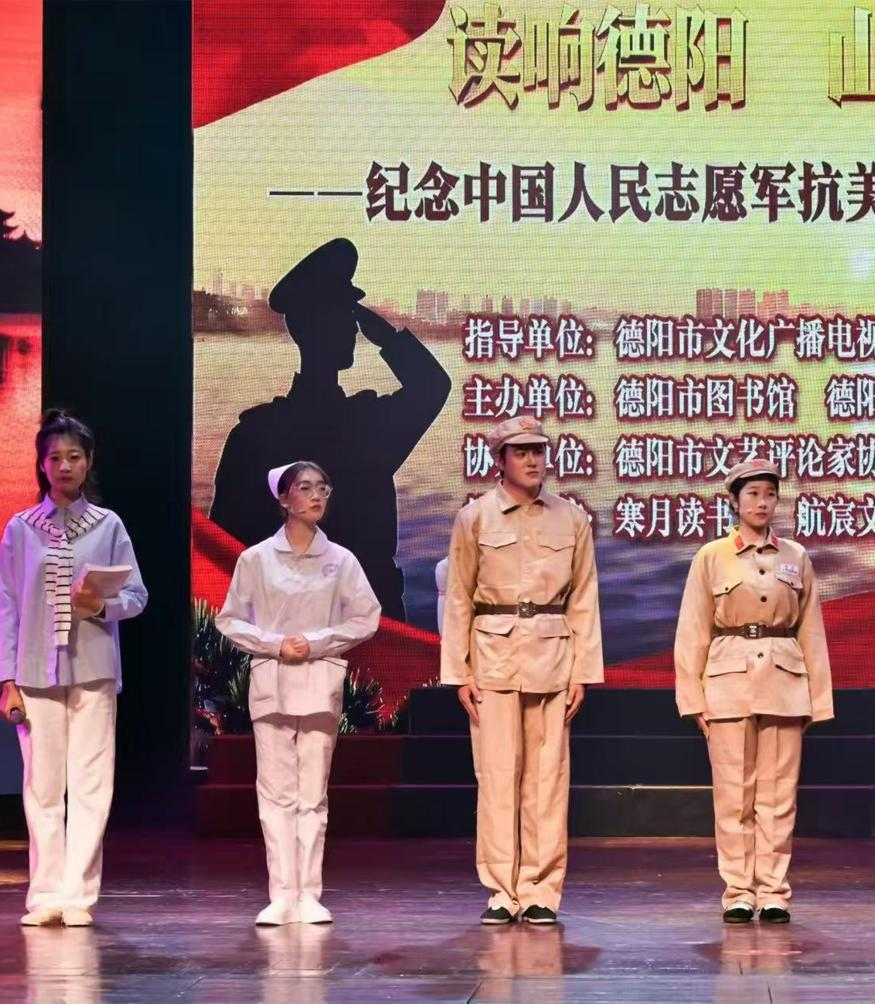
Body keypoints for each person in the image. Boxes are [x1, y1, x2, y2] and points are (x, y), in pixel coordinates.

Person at [210, 238, 451, 620]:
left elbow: (222, 554)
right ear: (312, 327)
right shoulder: (368, 425)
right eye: (344, 315)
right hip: (364, 629)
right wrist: (386, 336)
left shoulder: (253, 434)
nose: (353, 328)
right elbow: (432, 386)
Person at [440, 416, 603, 925]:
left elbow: (584, 599)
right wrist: (458, 672)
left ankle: (541, 890)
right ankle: (501, 890)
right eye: (521, 452)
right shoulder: (475, 518)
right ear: (500, 460)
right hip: (492, 658)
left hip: (553, 658)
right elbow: (459, 597)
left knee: (548, 780)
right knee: (496, 778)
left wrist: (583, 672)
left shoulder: (571, 519)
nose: (533, 460)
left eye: (538, 450)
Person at [216, 460, 380, 926]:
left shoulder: (340, 560)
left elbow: (366, 617)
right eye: (305, 488)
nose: (316, 495)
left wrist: (318, 641)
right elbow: (230, 619)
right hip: (273, 681)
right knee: (276, 794)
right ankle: (281, 894)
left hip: (319, 681)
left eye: (322, 487)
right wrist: (273, 644)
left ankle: (309, 893)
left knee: (312, 794)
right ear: (284, 498)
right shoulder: (255, 559)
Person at [0, 409, 148, 927]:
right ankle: (45, 894)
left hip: (94, 669)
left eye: (74, 457)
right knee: (42, 786)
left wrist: (101, 606)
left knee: (90, 783)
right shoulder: (21, 529)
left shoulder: (108, 526)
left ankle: (79, 895)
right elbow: (6, 606)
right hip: (34, 672)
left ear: (88, 463)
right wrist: (7, 680)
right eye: (55, 458)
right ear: (42, 465)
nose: (64, 466)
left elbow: (137, 596)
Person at [674, 459, 834, 925]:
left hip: (784, 683)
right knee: (733, 796)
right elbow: (692, 630)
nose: (762, 503)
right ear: (734, 501)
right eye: (753, 494)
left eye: (769, 494)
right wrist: (692, 698)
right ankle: (739, 892)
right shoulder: (712, 556)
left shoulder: (796, 556)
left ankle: (774, 892)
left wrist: (817, 701)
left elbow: (812, 631)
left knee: (779, 797)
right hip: (727, 683)